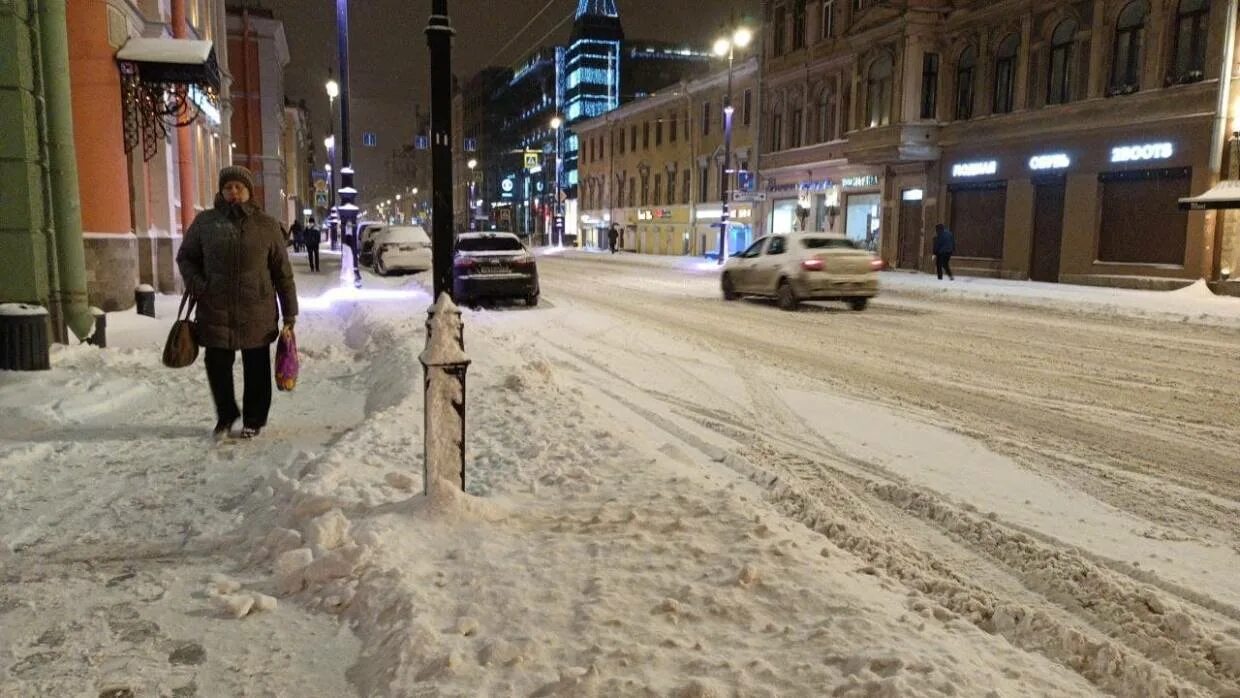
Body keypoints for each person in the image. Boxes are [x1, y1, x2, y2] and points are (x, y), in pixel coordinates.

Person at [177, 166, 298, 440]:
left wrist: (290, 310)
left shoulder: (266, 225)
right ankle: (226, 414)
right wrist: (198, 284)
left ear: (248, 191)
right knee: (216, 363)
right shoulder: (205, 223)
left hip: (257, 307)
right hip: (215, 306)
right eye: (228, 187)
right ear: (221, 191)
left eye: (238, 188)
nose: (233, 192)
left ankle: (254, 418)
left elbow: (282, 270)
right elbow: (186, 257)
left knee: (256, 365)